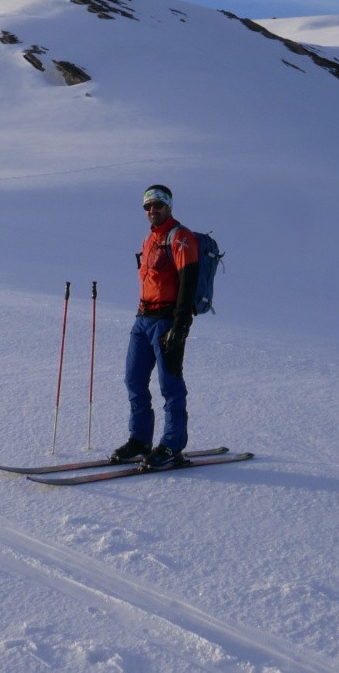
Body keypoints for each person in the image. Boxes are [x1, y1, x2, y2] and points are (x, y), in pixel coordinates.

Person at [108, 184, 199, 470]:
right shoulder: (150, 239)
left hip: (167, 322)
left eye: (157, 204)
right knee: (133, 380)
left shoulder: (180, 237)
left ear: (169, 205)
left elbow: (189, 280)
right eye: (147, 206)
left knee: (170, 385)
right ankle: (140, 441)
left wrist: (181, 324)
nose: (152, 210)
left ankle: (172, 446)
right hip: (142, 320)